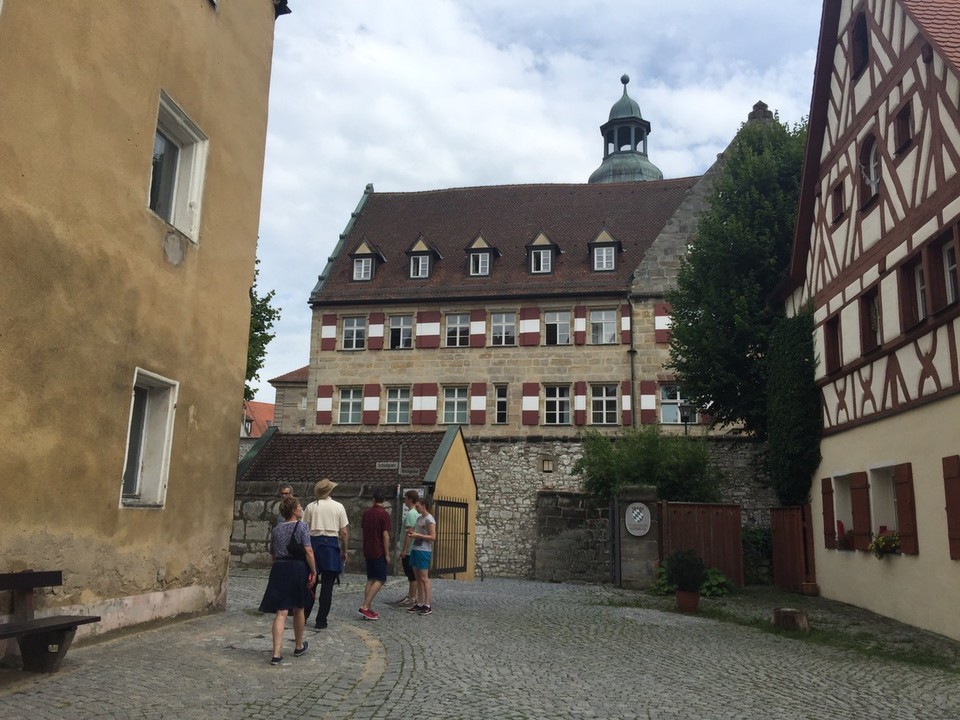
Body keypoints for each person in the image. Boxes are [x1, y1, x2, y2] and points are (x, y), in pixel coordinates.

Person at [258, 495, 316, 665]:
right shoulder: (302, 527)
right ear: (293, 510)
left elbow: (273, 554)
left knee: (281, 612)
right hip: (297, 568)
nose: (302, 509)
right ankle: (298, 645)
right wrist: (313, 571)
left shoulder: (276, 530)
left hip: (280, 568)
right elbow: (309, 551)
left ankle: (276, 653)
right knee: (299, 608)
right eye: (299, 506)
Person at [301, 478, 349, 630]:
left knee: (311, 583)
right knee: (328, 586)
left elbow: (304, 528)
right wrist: (344, 550)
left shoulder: (310, 507)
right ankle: (321, 621)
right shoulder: (338, 507)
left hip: (314, 544)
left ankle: (304, 616)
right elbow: (344, 531)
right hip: (331, 545)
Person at [359, 489, 391, 620]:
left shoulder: (366, 513)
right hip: (378, 550)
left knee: (370, 579)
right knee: (380, 579)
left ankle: (368, 607)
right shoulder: (384, 515)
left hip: (368, 549)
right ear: (383, 500)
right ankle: (365, 606)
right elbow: (385, 535)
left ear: (373, 499)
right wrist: (387, 553)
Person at [406, 497, 436, 616]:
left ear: (424, 506)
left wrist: (418, 535)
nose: (416, 508)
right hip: (416, 549)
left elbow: (433, 537)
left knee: (424, 578)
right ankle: (419, 603)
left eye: (418, 506)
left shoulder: (429, 519)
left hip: (424, 550)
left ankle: (427, 604)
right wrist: (413, 534)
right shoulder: (419, 518)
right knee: (417, 577)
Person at [396, 490, 420, 605]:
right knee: (411, 574)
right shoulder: (416, 513)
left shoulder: (411, 514)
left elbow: (409, 533)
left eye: (406, 498)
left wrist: (404, 550)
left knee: (411, 574)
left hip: (409, 549)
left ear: (410, 499)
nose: (404, 500)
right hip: (412, 548)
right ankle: (411, 595)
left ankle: (412, 596)